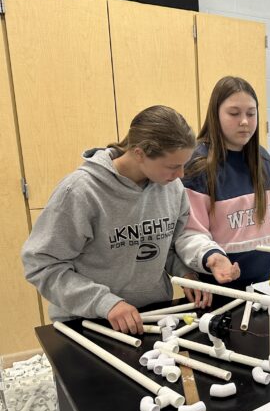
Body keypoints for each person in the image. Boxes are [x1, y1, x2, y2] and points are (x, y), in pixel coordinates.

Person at [22, 105, 239, 335]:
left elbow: (169, 246)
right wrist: (106, 303)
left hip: (153, 315)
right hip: (87, 322)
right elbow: (42, 265)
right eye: (173, 166)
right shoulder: (80, 192)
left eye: (183, 165)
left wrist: (185, 273)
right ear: (139, 153)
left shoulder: (172, 188)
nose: (181, 175)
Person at [182, 76, 270, 289]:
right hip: (219, 289)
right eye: (234, 113)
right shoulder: (198, 166)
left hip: (266, 283)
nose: (244, 121)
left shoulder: (265, 161)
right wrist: (214, 258)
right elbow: (190, 233)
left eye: (251, 114)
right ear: (215, 114)